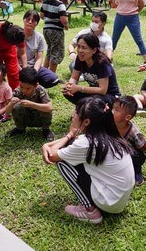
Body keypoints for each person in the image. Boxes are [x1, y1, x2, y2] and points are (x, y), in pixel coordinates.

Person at [41, 96, 134, 224]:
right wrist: (49, 144)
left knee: (61, 162)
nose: (73, 115)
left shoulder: (87, 143)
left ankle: (90, 211)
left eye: (77, 113)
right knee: (69, 149)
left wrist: (67, 135)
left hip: (108, 202)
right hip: (118, 201)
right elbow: (75, 141)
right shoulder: (108, 134)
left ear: (86, 122)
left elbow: (51, 156)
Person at [62, 33, 121, 106]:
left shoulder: (102, 62)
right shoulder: (80, 58)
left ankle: (86, 108)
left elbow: (102, 90)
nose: (80, 50)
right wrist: (70, 86)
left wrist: (79, 88)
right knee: (67, 92)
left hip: (109, 96)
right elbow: (74, 77)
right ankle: (85, 108)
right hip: (94, 94)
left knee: (93, 100)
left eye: (84, 48)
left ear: (94, 50)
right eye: (78, 46)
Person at [110, 0, 146, 65]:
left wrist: (135, 12)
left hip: (133, 18)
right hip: (119, 17)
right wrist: (111, 2)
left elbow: (141, 4)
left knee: (138, 39)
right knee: (114, 38)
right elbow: (114, 4)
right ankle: (108, 57)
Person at [5, 67, 54, 141]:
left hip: (39, 118)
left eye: (28, 88)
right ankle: (20, 128)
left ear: (36, 85)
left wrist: (31, 104)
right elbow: (7, 113)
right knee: (16, 107)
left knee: (45, 108)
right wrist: (11, 104)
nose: (24, 90)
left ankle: (45, 129)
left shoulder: (40, 90)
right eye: (21, 87)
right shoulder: (18, 91)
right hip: (26, 118)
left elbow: (49, 108)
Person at [113, 96, 146, 185]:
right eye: (113, 108)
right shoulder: (109, 124)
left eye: (117, 110)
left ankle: (137, 173)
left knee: (134, 153)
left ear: (127, 117)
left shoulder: (133, 132)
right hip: (117, 151)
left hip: (134, 155)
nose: (112, 111)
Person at [21, 9, 60, 88]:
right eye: (28, 19)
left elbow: (39, 58)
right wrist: (24, 72)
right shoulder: (17, 34)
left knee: (53, 79)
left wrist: (34, 72)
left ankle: (34, 83)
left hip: (32, 66)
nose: (30, 22)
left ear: (37, 23)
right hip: (18, 66)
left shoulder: (39, 37)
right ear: (23, 20)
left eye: (33, 20)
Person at [0, 21, 26, 89]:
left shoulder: (19, 34)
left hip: (10, 50)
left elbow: (22, 53)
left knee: (13, 73)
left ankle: (15, 92)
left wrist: (25, 69)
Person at [40, 0, 69, 72]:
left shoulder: (45, 2)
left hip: (46, 30)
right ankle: (51, 75)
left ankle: (44, 71)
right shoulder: (60, 5)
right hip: (56, 31)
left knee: (50, 50)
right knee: (56, 52)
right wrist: (66, 25)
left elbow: (41, 16)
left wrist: (49, 19)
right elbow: (63, 19)